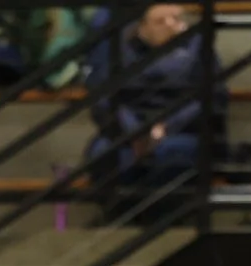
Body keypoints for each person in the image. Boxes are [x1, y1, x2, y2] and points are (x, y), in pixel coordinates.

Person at [82, 3, 225, 201]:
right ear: (142, 26)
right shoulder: (120, 48)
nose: (170, 25)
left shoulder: (197, 45)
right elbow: (104, 98)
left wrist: (167, 127)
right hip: (127, 131)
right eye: (160, 21)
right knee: (103, 153)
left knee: (172, 153)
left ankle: (156, 216)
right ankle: (122, 215)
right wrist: (135, 132)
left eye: (176, 18)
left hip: (183, 129)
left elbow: (211, 96)